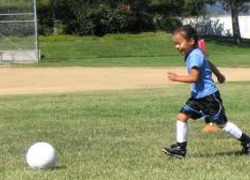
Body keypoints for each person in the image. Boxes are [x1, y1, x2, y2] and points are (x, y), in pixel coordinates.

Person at [162, 25, 250, 158]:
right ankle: (180, 148)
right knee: (182, 117)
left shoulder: (194, 55)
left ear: (191, 41)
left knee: (222, 124)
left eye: (179, 43)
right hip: (197, 97)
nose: (177, 47)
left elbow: (194, 77)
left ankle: (247, 141)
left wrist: (176, 78)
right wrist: (219, 75)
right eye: (175, 44)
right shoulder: (194, 52)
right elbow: (207, 63)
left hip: (209, 97)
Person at [198, 39, 225, 133]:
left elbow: (219, 76)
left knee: (214, 110)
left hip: (209, 92)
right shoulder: (206, 63)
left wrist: (221, 78)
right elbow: (220, 76)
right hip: (201, 92)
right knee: (204, 109)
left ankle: (218, 124)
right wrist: (221, 78)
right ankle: (210, 124)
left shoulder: (204, 63)